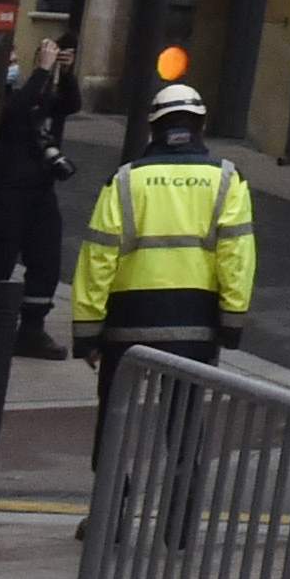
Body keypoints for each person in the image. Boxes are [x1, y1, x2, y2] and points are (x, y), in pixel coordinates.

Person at [71, 78, 254, 367]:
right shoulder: (228, 181)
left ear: (153, 128)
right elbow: (236, 258)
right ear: (201, 126)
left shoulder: (124, 180)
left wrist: (87, 333)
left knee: (117, 410)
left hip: (128, 321)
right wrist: (231, 321)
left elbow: (98, 258)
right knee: (182, 410)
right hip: (196, 324)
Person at [0, 39, 78, 355]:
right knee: (1, 260)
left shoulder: (35, 96)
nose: (15, 62)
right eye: (9, 58)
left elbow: (69, 105)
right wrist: (41, 71)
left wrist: (65, 73)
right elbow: (14, 113)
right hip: (8, 188)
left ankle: (32, 328)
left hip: (41, 189)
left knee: (46, 260)